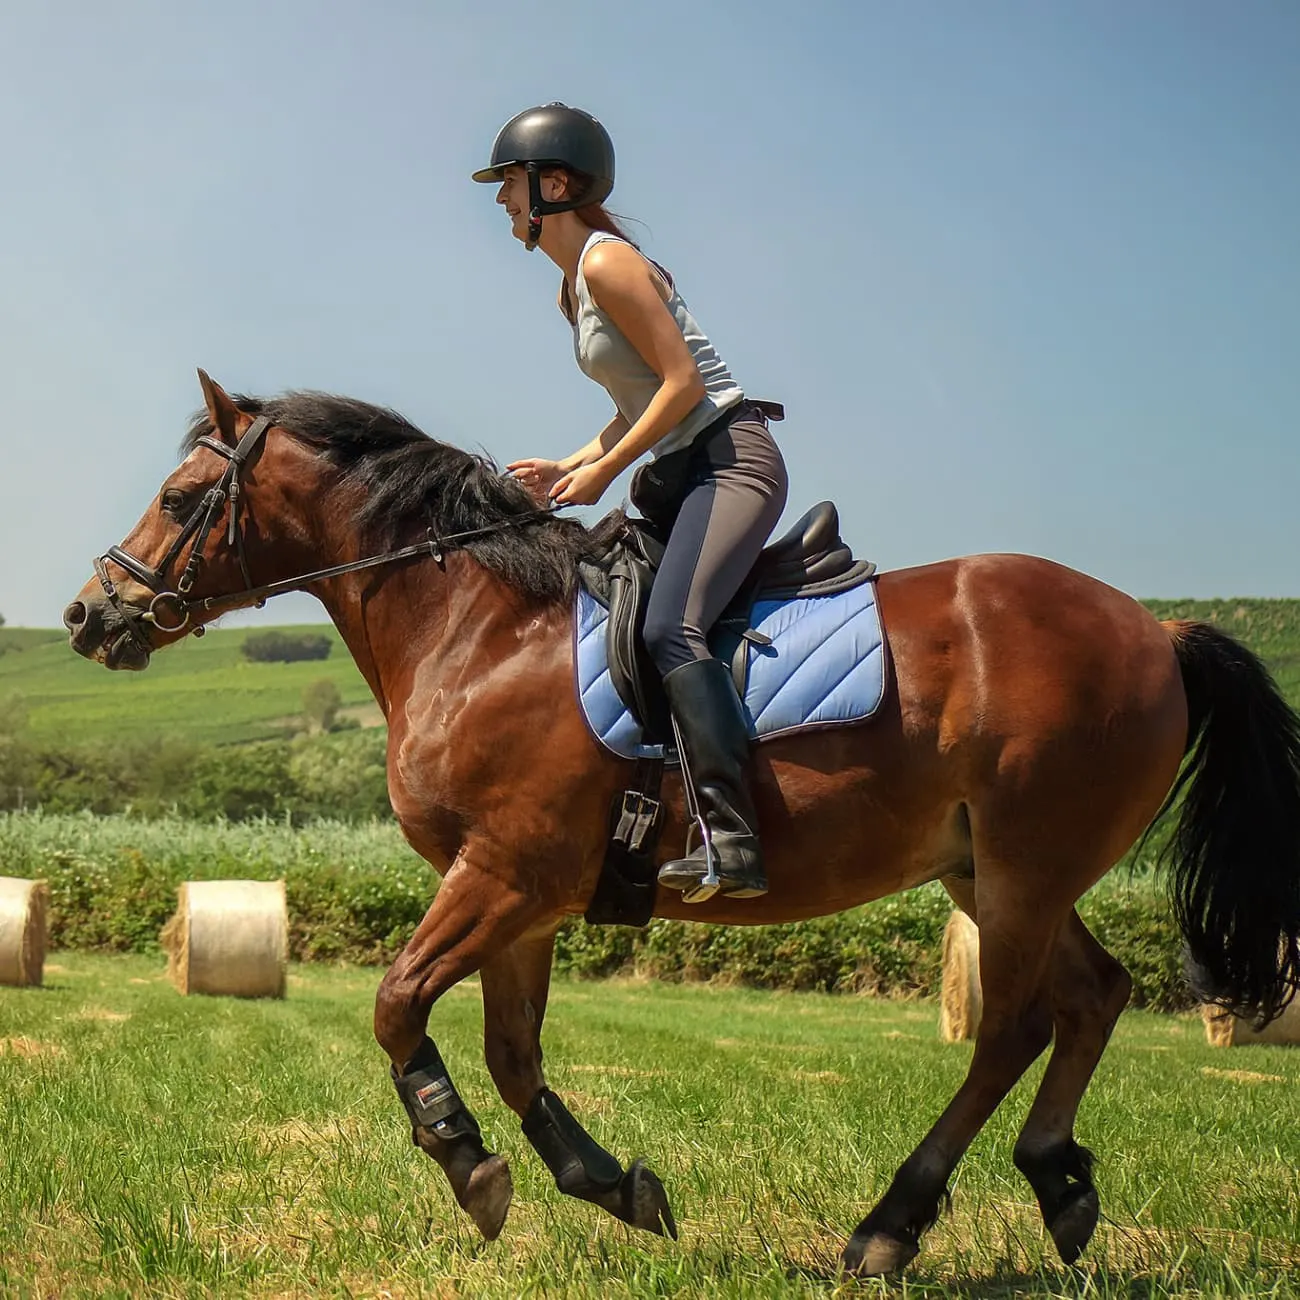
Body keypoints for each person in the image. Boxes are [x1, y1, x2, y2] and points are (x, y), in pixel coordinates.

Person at [474, 103, 788, 901]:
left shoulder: (610, 265)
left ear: (553, 183)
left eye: (509, 183)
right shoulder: (568, 292)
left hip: (731, 460)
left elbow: (683, 384)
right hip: (682, 473)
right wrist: (571, 460)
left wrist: (606, 471)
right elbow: (635, 395)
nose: (502, 200)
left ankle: (732, 839)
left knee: (667, 627)